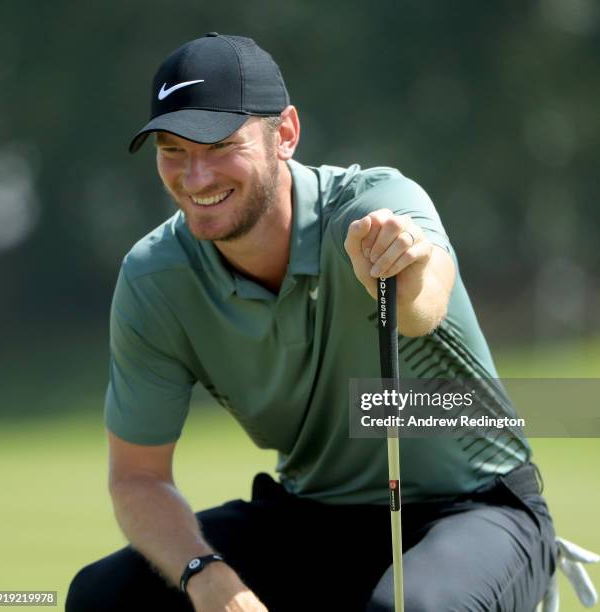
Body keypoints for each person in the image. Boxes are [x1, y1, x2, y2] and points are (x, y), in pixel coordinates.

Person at [66, 33, 557, 611]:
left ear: (287, 135)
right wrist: (207, 576)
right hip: (312, 516)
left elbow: (424, 310)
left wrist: (397, 268)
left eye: (221, 145)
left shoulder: (373, 204)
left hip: (476, 508)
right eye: (172, 150)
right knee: (103, 596)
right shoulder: (155, 279)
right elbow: (138, 478)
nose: (195, 177)